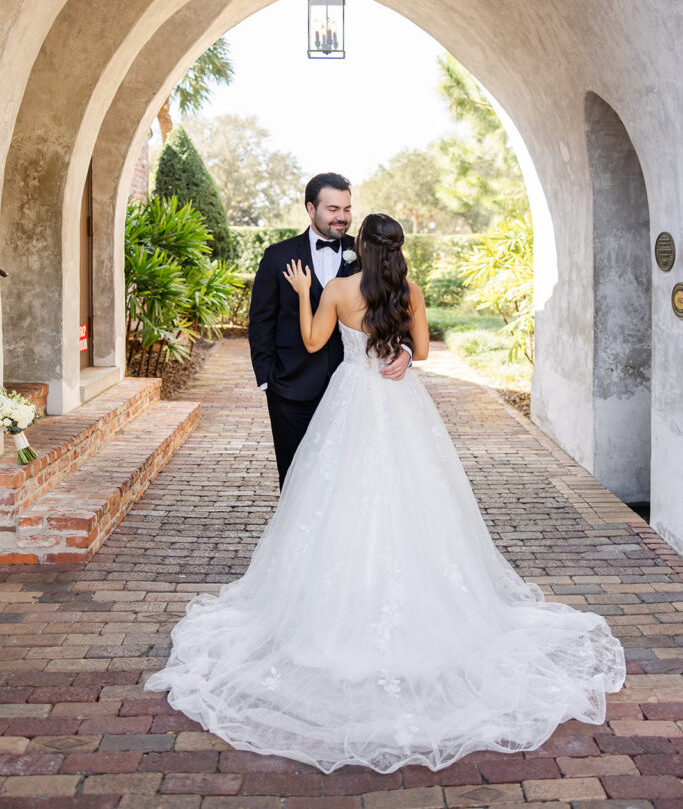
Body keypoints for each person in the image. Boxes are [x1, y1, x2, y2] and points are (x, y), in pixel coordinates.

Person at [145, 213, 625, 775]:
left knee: (339, 504)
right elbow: (420, 352)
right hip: (400, 404)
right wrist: (397, 356)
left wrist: (304, 293)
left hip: (350, 400)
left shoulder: (340, 289)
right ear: (397, 250)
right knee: (419, 502)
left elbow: (311, 340)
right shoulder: (410, 290)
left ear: (362, 249)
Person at [248, 172, 411, 488]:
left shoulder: (367, 250)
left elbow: (397, 306)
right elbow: (261, 321)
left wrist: (406, 350)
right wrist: (268, 379)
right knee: (295, 478)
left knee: (347, 481)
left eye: (347, 209)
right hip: (290, 389)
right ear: (311, 209)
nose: (343, 218)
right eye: (333, 209)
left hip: (353, 391)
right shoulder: (278, 255)